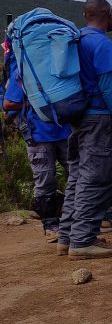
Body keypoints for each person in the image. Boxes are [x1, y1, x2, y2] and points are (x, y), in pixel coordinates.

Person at [56, 0, 112, 259]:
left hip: (76, 116)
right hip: (97, 118)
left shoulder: (76, 40)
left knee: (78, 177)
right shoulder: (100, 42)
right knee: (96, 179)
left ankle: (67, 237)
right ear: (107, 13)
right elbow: (110, 88)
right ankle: (82, 241)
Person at [2, 57, 70, 237]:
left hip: (62, 131)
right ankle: (51, 226)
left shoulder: (57, 68)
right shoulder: (22, 72)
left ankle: (74, 220)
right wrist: (36, 102)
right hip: (38, 134)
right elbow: (8, 104)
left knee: (77, 174)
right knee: (45, 180)